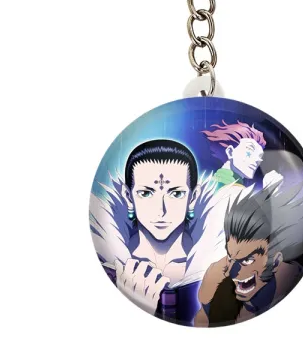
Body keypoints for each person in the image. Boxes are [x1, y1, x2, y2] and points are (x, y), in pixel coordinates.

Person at [89, 139, 239, 326]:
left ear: (193, 197)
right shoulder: (108, 266)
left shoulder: (224, 266)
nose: (161, 210)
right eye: (146, 193)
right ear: (128, 197)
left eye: (176, 193)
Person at [194, 181, 303, 327]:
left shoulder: (290, 282)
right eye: (230, 257)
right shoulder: (216, 278)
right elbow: (201, 321)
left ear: (276, 261)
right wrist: (207, 302)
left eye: (247, 260)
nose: (231, 272)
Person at [202, 120, 282, 189]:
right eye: (250, 150)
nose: (258, 160)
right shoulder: (233, 189)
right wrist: (269, 190)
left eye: (260, 156)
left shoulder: (209, 184)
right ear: (230, 151)